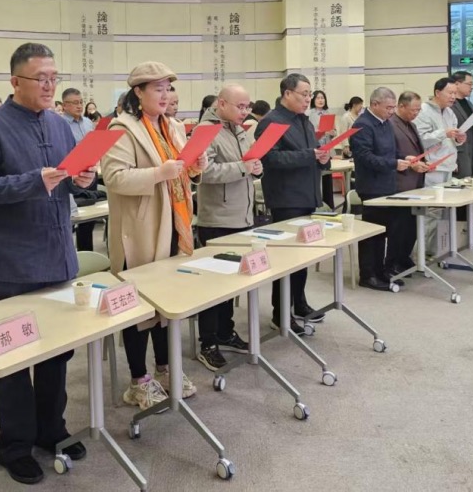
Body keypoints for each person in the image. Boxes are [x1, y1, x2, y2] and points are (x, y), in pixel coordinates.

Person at [0, 43, 94, 484]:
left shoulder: (59, 124)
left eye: (54, 77)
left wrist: (82, 179)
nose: (50, 85)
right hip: (10, 262)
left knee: (56, 353)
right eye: (41, 78)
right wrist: (32, 181)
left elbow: (67, 181)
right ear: (15, 81)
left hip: (56, 254)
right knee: (14, 356)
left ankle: (50, 429)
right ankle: (15, 443)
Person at [103, 62, 207, 410]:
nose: (165, 95)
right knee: (139, 307)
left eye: (168, 88)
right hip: (140, 228)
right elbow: (114, 178)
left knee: (168, 302)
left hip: (174, 222)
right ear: (139, 92)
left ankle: (165, 369)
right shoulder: (122, 128)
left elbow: (184, 170)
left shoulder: (173, 126)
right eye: (158, 89)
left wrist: (195, 166)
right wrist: (159, 173)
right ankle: (138, 381)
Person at [254, 73, 329, 333]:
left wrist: (322, 158)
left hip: (307, 196)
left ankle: (300, 302)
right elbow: (269, 159)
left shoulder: (303, 120)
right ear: (287, 93)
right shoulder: (271, 122)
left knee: (302, 256)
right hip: (286, 199)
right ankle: (281, 313)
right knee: (286, 259)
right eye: (304, 94)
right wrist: (310, 155)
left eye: (310, 94)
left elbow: (313, 153)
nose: (308, 99)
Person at [193, 84, 258, 371]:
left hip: (242, 216)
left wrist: (255, 167)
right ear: (221, 104)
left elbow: (247, 162)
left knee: (231, 284)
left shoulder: (239, 129)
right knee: (212, 286)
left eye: (247, 106)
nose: (245, 112)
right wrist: (244, 168)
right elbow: (204, 172)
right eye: (240, 106)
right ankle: (207, 342)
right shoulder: (205, 131)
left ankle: (225, 332)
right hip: (217, 219)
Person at [350, 88, 420, 291]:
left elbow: (392, 151)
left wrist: (404, 157)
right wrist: (393, 163)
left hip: (388, 185)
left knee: (385, 232)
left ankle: (381, 271)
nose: (391, 111)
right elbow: (365, 157)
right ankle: (368, 275)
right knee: (373, 233)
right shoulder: (362, 125)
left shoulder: (386, 123)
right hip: (372, 187)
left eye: (393, 107)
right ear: (374, 104)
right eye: (388, 107)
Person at [414, 77, 466, 255]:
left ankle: (435, 250)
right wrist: (443, 132)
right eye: (450, 93)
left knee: (444, 212)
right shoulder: (423, 111)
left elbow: (451, 140)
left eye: (455, 93)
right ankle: (422, 252)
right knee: (431, 213)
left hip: (448, 167)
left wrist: (459, 139)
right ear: (437, 92)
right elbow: (420, 139)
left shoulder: (450, 112)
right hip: (432, 169)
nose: (453, 97)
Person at [389, 91, 429, 273]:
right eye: (414, 110)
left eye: (419, 110)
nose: (417, 113)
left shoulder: (411, 125)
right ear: (401, 106)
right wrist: (409, 161)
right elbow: (391, 153)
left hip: (415, 181)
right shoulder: (391, 124)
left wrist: (423, 163)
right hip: (400, 182)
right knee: (399, 227)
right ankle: (394, 261)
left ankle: (405, 257)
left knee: (412, 225)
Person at [61, 87, 98, 251]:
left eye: (81, 102)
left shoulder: (88, 122)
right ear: (65, 105)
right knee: (70, 218)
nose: (79, 106)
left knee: (89, 218)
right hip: (71, 177)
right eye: (75, 103)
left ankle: (86, 251)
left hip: (90, 173)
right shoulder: (60, 124)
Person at [451, 71, 473, 178]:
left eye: (472, 84)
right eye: (469, 84)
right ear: (457, 84)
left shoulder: (469, 103)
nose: (472, 87)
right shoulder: (450, 104)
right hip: (460, 153)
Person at [308, 90, 336, 207]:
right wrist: (319, 132)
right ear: (313, 100)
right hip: (316, 149)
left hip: (327, 148)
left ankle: (329, 205)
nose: (321, 100)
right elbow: (309, 132)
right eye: (318, 98)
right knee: (317, 178)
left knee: (327, 178)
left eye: (322, 98)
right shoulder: (309, 114)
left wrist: (332, 132)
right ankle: (318, 204)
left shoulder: (328, 113)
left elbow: (334, 131)